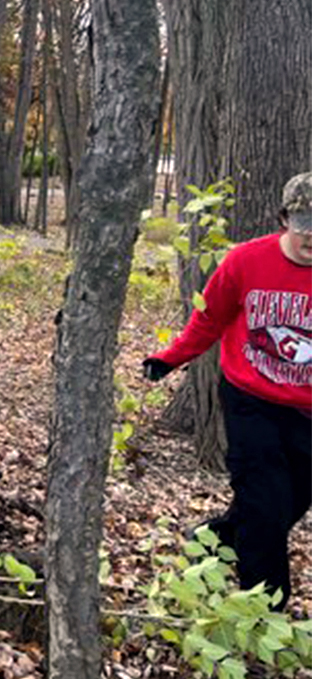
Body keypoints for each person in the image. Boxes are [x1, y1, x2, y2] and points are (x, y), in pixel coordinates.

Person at [144, 172, 312, 609]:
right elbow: (209, 319)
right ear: (284, 219)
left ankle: (216, 538)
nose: (311, 233)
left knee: (288, 503)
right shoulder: (244, 262)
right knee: (265, 505)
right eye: (303, 221)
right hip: (250, 401)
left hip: (307, 412)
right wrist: (170, 358)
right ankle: (263, 608)